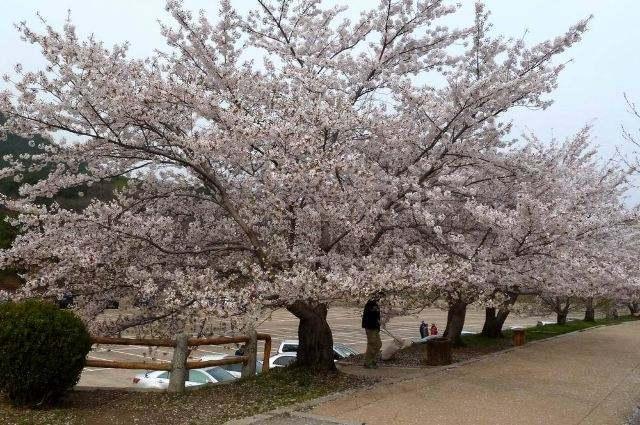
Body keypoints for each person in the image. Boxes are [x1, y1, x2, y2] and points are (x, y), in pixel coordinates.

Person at [362, 295, 382, 368]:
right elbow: (371, 314)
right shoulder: (370, 304)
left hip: (375, 327)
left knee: (378, 344)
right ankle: (368, 362)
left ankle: (372, 359)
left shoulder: (375, 304)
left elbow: (377, 316)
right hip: (370, 327)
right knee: (372, 344)